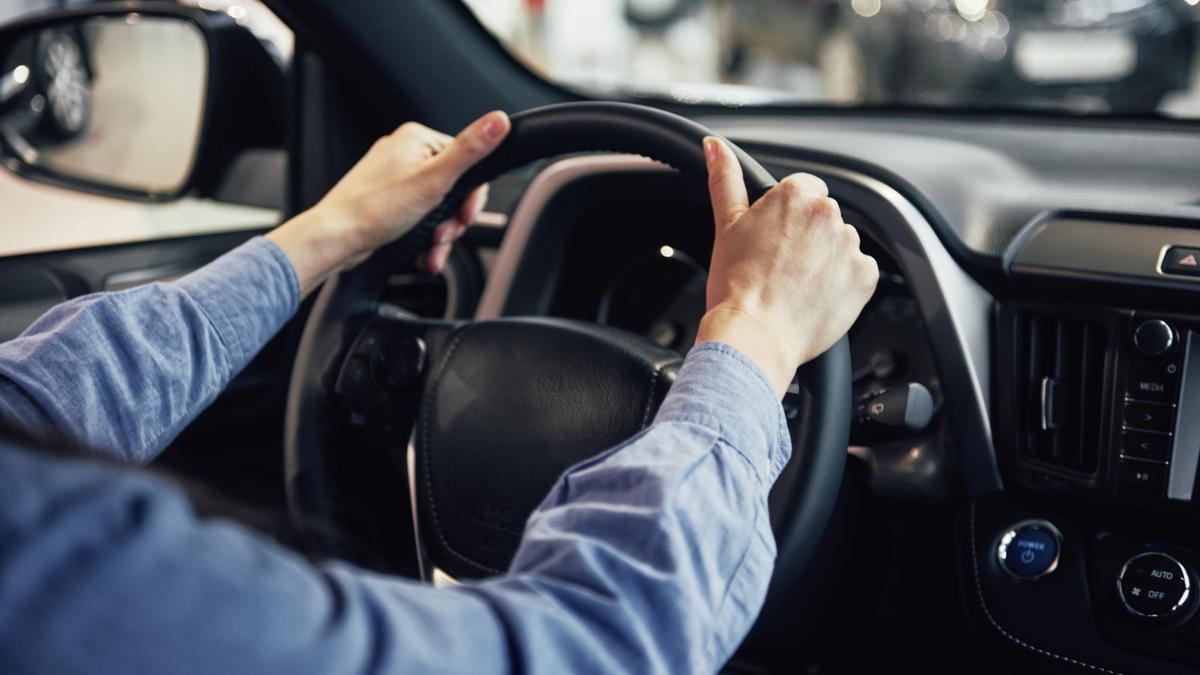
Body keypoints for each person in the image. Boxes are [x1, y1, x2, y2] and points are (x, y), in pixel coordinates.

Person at [0, 110, 877, 674]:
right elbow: (587, 648)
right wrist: (753, 336)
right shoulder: (62, 580)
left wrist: (329, 235)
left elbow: (35, 404)